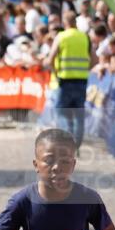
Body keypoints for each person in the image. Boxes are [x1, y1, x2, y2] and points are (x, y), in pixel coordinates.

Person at [44, 10, 95, 150]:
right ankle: (76, 145)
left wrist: (56, 73)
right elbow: (95, 59)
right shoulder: (84, 37)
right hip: (81, 81)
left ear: (64, 22)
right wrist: (85, 70)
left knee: (61, 111)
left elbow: (50, 59)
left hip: (65, 81)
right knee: (78, 114)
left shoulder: (61, 37)